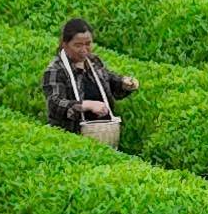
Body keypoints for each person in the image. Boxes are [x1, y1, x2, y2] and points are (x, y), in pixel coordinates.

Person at [41, 17, 137, 147]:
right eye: (78, 45)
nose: (84, 49)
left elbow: (108, 79)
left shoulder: (93, 62)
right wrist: (86, 105)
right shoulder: (56, 70)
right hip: (71, 137)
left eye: (88, 44)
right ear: (65, 44)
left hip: (102, 133)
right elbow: (55, 104)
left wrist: (124, 83)